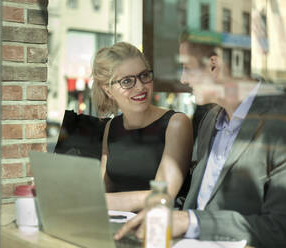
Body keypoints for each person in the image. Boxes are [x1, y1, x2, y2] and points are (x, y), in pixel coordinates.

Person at [114, 36, 286, 247]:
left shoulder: (279, 123)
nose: (184, 79)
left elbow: (279, 228)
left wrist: (189, 221)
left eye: (187, 67)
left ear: (214, 65)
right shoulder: (210, 121)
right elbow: (198, 202)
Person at [91, 42, 193, 212]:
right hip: (117, 225)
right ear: (108, 91)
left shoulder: (176, 124)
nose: (140, 87)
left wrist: (96, 201)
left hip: (158, 229)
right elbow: (103, 188)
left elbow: (162, 196)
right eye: (127, 81)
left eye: (144, 75)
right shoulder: (112, 127)